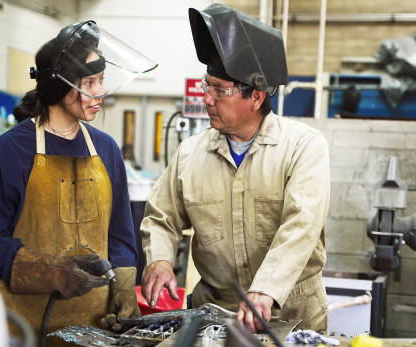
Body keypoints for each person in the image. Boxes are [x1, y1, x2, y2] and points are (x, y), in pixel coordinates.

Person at [140, 3, 330, 334]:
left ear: (256, 97)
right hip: (214, 314)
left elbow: (302, 225)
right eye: (206, 85)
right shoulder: (190, 154)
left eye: (219, 90)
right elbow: (162, 217)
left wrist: (266, 289)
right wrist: (159, 259)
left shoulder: (303, 147)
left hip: (292, 313)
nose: (207, 99)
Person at [0, 20, 157, 340]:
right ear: (59, 86)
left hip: (93, 329)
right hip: (22, 327)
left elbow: (121, 237)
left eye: (102, 80)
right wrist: (48, 272)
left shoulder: (106, 150)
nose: (99, 93)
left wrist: (125, 290)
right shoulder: (12, 150)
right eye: (90, 82)